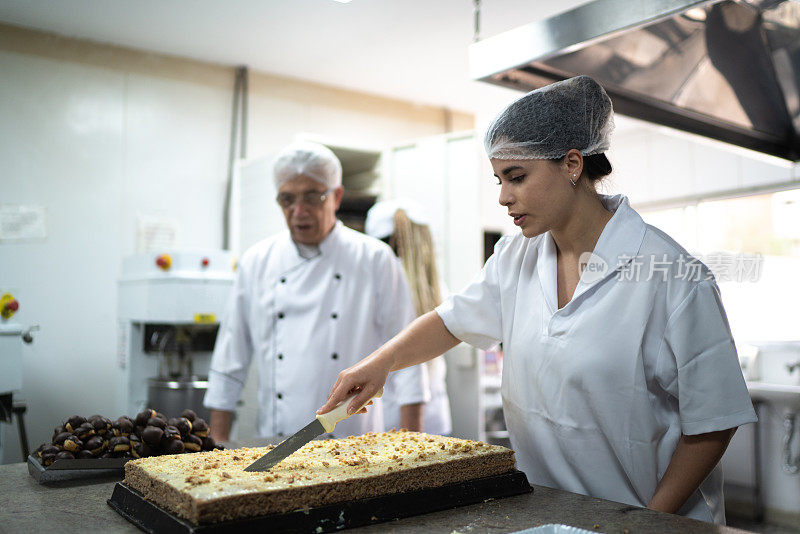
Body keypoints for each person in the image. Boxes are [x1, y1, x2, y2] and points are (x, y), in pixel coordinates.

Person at [319, 76, 757, 524]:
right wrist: (379, 364)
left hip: (650, 519)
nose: (504, 197)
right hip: (548, 511)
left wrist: (645, 521)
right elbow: (451, 321)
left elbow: (714, 421)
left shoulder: (672, 276)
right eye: (499, 179)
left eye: (517, 177)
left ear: (571, 164)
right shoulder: (516, 256)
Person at [205, 141, 428, 442]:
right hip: (277, 446)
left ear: (336, 197)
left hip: (355, 444)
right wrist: (216, 446)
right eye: (287, 200)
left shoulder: (374, 259)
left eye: (312, 197)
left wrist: (412, 451)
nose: (299, 212)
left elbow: (408, 359)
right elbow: (229, 361)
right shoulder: (256, 262)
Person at [365, 199, 452, 435]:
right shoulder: (434, 283)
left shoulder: (386, 279)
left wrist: (409, 441)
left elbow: (410, 371)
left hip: (399, 423)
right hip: (433, 417)